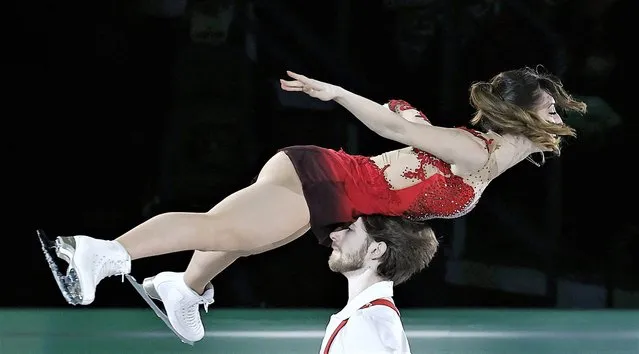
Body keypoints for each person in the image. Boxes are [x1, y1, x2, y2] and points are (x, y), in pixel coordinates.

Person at [43, 66, 586, 343]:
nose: (561, 118)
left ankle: (181, 290)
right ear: (519, 117)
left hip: (326, 185)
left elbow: (409, 122)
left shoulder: (475, 152)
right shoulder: (471, 149)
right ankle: (100, 254)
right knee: (228, 230)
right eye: (552, 109)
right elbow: (394, 122)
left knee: (243, 235)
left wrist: (411, 122)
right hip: (324, 181)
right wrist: (341, 95)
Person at [318, 215, 437, 354]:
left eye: (350, 229)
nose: (333, 234)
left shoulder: (367, 323)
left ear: (376, 250)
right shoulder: (369, 318)